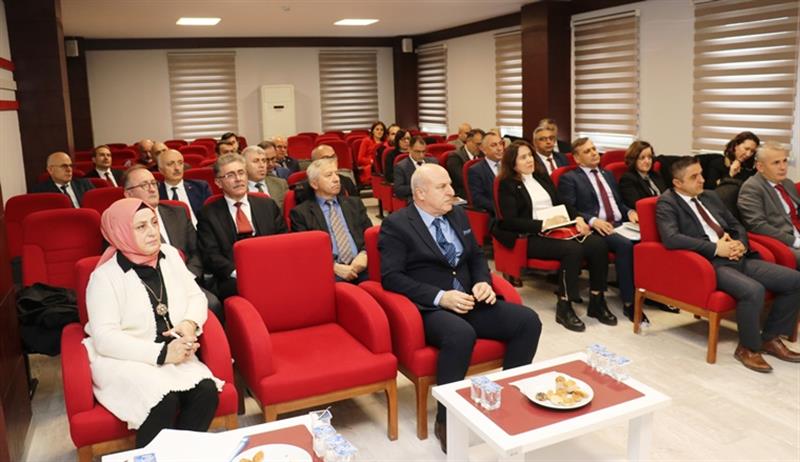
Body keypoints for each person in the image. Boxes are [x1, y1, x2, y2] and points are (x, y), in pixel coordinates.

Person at [379, 163, 541, 454]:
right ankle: (447, 419)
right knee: (460, 334)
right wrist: (440, 297)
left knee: (528, 321)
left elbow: (476, 256)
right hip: (431, 309)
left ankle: (507, 401)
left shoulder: (457, 213)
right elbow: (391, 277)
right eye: (442, 187)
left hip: (470, 299)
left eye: (450, 185)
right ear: (420, 193)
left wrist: (482, 282)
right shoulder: (397, 225)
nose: (451, 191)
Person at [84, 197, 222, 447]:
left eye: (154, 222)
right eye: (141, 227)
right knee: (163, 401)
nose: (152, 232)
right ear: (121, 232)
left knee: (206, 392)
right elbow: (105, 338)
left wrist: (189, 324)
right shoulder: (104, 278)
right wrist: (161, 354)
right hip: (125, 358)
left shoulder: (170, 254)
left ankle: (181, 454)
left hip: (173, 353)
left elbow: (196, 296)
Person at [656, 156, 800, 372]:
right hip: (710, 264)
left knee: (794, 280)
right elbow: (671, 238)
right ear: (678, 183)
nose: (702, 180)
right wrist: (716, 248)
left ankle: (769, 338)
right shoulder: (667, 202)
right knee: (753, 290)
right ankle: (747, 348)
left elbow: (736, 225)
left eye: (701, 174)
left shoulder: (710, 196)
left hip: (737, 256)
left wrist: (740, 244)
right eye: (694, 177)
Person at [494, 140, 613, 331]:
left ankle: (597, 301)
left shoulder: (542, 177)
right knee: (572, 249)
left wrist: (578, 218)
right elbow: (509, 221)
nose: (529, 160)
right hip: (531, 235)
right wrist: (543, 224)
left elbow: (561, 203)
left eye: (530, 155)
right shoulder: (507, 184)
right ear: (512, 163)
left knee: (598, 245)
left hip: (558, 228)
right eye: (523, 157)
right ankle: (564, 305)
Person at [122, 165, 223, 322]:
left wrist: (188, 275)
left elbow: (196, 250)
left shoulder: (178, 212)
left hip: (187, 280)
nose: (152, 189)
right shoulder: (121, 224)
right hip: (151, 288)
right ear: (128, 194)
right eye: (144, 185)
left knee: (213, 304)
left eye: (153, 183)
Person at [558, 137, 641, 322]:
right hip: (596, 228)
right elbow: (569, 209)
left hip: (620, 223)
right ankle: (630, 302)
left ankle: (649, 293)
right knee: (625, 245)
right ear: (577, 158)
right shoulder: (570, 178)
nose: (594, 153)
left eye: (594, 149)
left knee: (647, 242)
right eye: (587, 151)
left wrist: (630, 212)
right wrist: (593, 220)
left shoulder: (607, 174)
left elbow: (618, 203)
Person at [197, 153, 286, 299]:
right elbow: (210, 255)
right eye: (230, 175)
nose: (238, 179)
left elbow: (283, 240)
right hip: (233, 277)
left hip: (271, 268)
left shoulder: (267, 205)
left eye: (241, 173)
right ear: (218, 183)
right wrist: (239, 273)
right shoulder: (208, 214)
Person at [290, 158, 371, 283]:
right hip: (328, 273)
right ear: (314, 184)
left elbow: (369, 234)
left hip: (362, 266)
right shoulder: (301, 213)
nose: (336, 179)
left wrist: (365, 253)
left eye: (336, 174)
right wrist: (333, 266)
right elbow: (305, 251)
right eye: (329, 175)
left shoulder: (354, 204)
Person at [738, 142, 800, 268]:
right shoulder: (751, 188)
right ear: (760, 167)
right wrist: (795, 241)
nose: (783, 167)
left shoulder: (787, 183)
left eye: (784, 161)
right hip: (784, 243)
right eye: (776, 163)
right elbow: (757, 225)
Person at [157, 149, 211, 226]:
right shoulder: (156, 193)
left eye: (180, 163)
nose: (177, 168)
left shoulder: (200, 187)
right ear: (161, 170)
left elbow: (211, 216)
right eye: (170, 164)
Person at [293, 144, 358, 203]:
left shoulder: (347, 181)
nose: (332, 160)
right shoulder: (303, 189)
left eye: (334, 156)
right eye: (326, 158)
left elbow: (355, 206)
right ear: (315, 163)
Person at [618, 140, 667, 209]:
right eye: (642, 158)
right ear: (634, 159)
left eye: (649, 157)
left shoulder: (655, 175)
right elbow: (635, 205)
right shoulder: (628, 179)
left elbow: (667, 196)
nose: (647, 161)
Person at [467, 132, 504, 215]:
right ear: (483, 150)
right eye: (494, 145)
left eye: (501, 144)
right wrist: (501, 208)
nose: (499, 148)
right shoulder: (475, 170)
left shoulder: (510, 165)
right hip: (494, 214)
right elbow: (478, 199)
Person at [243, 145, 288, 210]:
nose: (262, 165)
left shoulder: (280, 184)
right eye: (256, 161)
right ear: (244, 165)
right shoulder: (239, 189)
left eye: (264, 161)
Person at [393, 136, 438, 202]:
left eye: (423, 151)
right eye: (417, 152)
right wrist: (420, 188)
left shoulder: (433, 162)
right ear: (409, 149)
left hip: (435, 195)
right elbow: (399, 190)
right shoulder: (401, 167)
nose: (421, 155)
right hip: (415, 198)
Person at [446, 129, 484, 198]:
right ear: (468, 141)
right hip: (464, 194)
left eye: (482, 145)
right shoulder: (455, 157)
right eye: (478, 144)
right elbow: (463, 181)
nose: (481, 148)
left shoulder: (482, 155)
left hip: (480, 191)